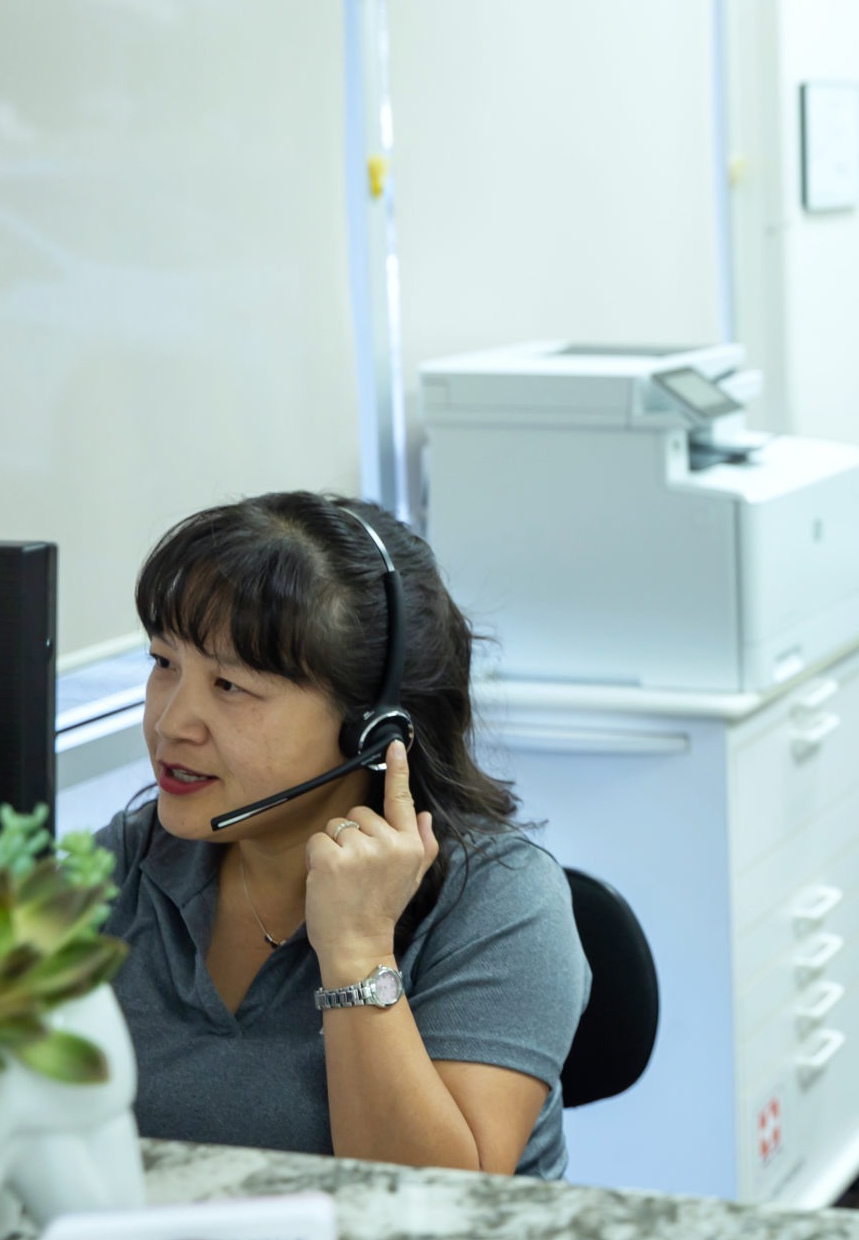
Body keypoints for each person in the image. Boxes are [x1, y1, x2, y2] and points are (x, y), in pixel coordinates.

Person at [96, 492, 590, 1178]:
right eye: (163, 663)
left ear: (371, 728)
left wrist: (357, 949)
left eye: (231, 685)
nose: (173, 721)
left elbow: (439, 1207)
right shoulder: (125, 863)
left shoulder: (500, 898)